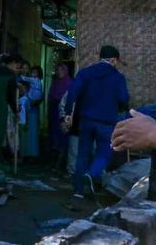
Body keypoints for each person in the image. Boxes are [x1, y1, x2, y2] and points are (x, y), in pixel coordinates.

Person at [64, 45, 129, 198]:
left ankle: (79, 190)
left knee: (83, 154)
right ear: (113, 60)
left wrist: (68, 113)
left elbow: (72, 92)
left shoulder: (85, 73)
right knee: (104, 153)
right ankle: (92, 174)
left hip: (86, 120)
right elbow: (124, 99)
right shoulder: (118, 77)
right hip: (106, 122)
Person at [49, 62, 73, 171]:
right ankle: (55, 162)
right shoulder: (56, 82)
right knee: (55, 135)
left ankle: (60, 163)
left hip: (63, 112)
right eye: (58, 70)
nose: (58, 72)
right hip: (54, 110)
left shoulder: (68, 82)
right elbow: (51, 95)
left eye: (60, 70)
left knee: (63, 136)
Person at [20, 65, 44, 159]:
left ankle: (31, 154)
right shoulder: (34, 83)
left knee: (31, 132)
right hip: (28, 109)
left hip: (32, 109)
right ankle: (27, 153)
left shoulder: (34, 81)